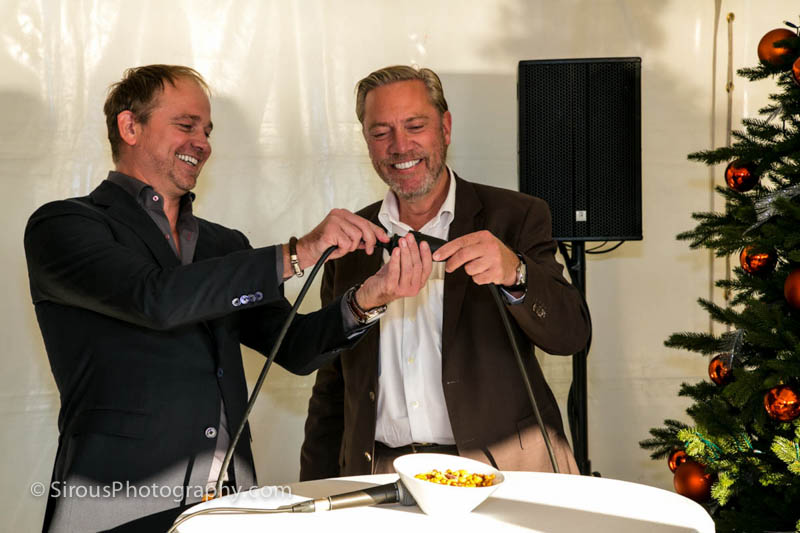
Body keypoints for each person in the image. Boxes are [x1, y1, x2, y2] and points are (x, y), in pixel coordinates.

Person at [24, 64, 430, 532]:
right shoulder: (64, 226)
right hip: (114, 504)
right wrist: (296, 253)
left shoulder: (224, 244)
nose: (202, 142)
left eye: (207, 131)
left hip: (226, 503)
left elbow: (295, 348)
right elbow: (155, 299)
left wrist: (368, 299)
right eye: (186, 125)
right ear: (130, 126)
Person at [300, 65, 591, 480]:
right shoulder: (350, 243)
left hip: (505, 473)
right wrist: (316, 489)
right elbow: (332, 388)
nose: (400, 145)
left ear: (446, 128)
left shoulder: (516, 216)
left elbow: (571, 336)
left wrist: (517, 274)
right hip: (382, 476)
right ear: (366, 141)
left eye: (415, 126)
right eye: (381, 132)